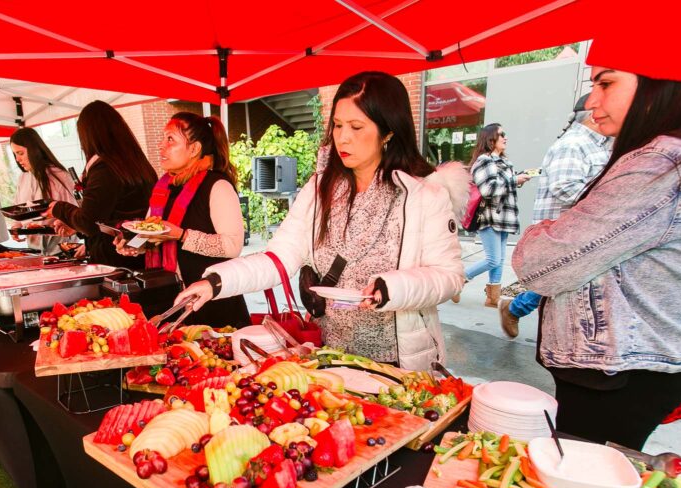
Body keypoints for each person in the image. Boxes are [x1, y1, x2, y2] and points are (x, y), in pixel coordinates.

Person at [511, 9, 681, 449]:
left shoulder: (664, 165)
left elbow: (539, 265)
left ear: (659, 78)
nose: (592, 101)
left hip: (619, 372)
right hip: (628, 365)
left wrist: (544, 230)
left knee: (581, 481)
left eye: (606, 82)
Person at [174, 72, 465, 369]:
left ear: (388, 131)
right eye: (337, 125)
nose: (342, 137)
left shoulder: (424, 195)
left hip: (398, 363)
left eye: (356, 127)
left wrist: (393, 287)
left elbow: (449, 276)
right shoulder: (320, 188)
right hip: (328, 357)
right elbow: (279, 257)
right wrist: (215, 282)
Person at [114, 112, 250, 329]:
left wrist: (183, 235)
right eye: (163, 139)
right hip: (170, 303)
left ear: (194, 149)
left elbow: (232, 246)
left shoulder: (217, 186)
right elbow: (154, 236)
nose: (161, 146)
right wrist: (133, 245)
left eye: (170, 139)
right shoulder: (164, 188)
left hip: (213, 306)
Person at [499, 96, 612, 338]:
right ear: (594, 114)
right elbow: (565, 187)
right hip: (563, 239)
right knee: (556, 284)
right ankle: (515, 308)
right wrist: (612, 201)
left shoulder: (595, 145)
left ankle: (516, 309)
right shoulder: (574, 144)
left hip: (577, 240)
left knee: (558, 286)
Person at [47, 101, 155, 265]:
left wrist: (58, 208)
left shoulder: (105, 168)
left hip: (118, 258)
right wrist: (75, 225)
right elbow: (105, 214)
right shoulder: (134, 162)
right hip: (136, 253)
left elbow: (88, 221)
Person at [466, 124, 532, 307]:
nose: (506, 137)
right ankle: (460, 278)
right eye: (501, 134)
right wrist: (514, 180)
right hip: (490, 216)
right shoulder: (484, 161)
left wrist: (518, 179)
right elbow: (488, 189)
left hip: (505, 216)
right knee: (492, 259)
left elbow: (503, 185)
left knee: (500, 260)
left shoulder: (505, 163)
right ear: (490, 138)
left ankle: (492, 298)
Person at [8, 127, 78, 255]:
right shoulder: (23, 178)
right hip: (34, 247)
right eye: (15, 154)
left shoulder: (60, 175)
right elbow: (18, 210)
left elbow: (74, 213)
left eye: (20, 153)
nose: (17, 159)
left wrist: (63, 221)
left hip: (62, 247)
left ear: (34, 150)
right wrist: (16, 226)